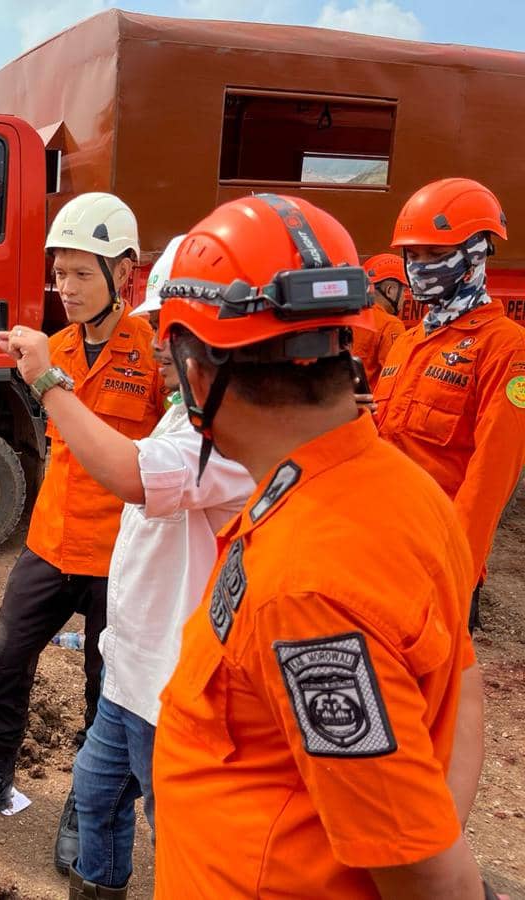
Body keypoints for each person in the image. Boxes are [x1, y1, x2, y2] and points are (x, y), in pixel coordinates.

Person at [148, 193, 487, 898]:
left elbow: (424, 872)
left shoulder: (308, 586)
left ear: (200, 372)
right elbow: (464, 688)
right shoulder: (399, 486)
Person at [0, 234, 254, 897]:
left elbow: (133, 474)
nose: (160, 345)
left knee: (176, 833)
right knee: (97, 796)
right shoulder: (187, 413)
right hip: (131, 667)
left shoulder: (231, 435)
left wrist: (46, 380)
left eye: (175, 332)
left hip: (174, 685)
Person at [0, 192, 163, 876]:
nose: (66, 287)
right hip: (52, 543)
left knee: (103, 690)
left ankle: (84, 812)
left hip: (121, 556)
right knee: (2, 663)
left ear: (123, 272)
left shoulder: (153, 356)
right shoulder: (53, 348)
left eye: (82, 273)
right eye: (59, 273)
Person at [373, 178, 525, 630]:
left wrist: (452, 573)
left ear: (477, 254)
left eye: (435, 256)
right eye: (412, 256)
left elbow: (491, 476)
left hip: (436, 560)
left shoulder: (506, 348)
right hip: (378, 546)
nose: (419, 269)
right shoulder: (406, 342)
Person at [351, 254, 406, 389]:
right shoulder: (390, 325)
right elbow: (397, 379)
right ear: (390, 291)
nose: (405, 298)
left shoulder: (348, 315)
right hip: (374, 406)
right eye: (404, 290)